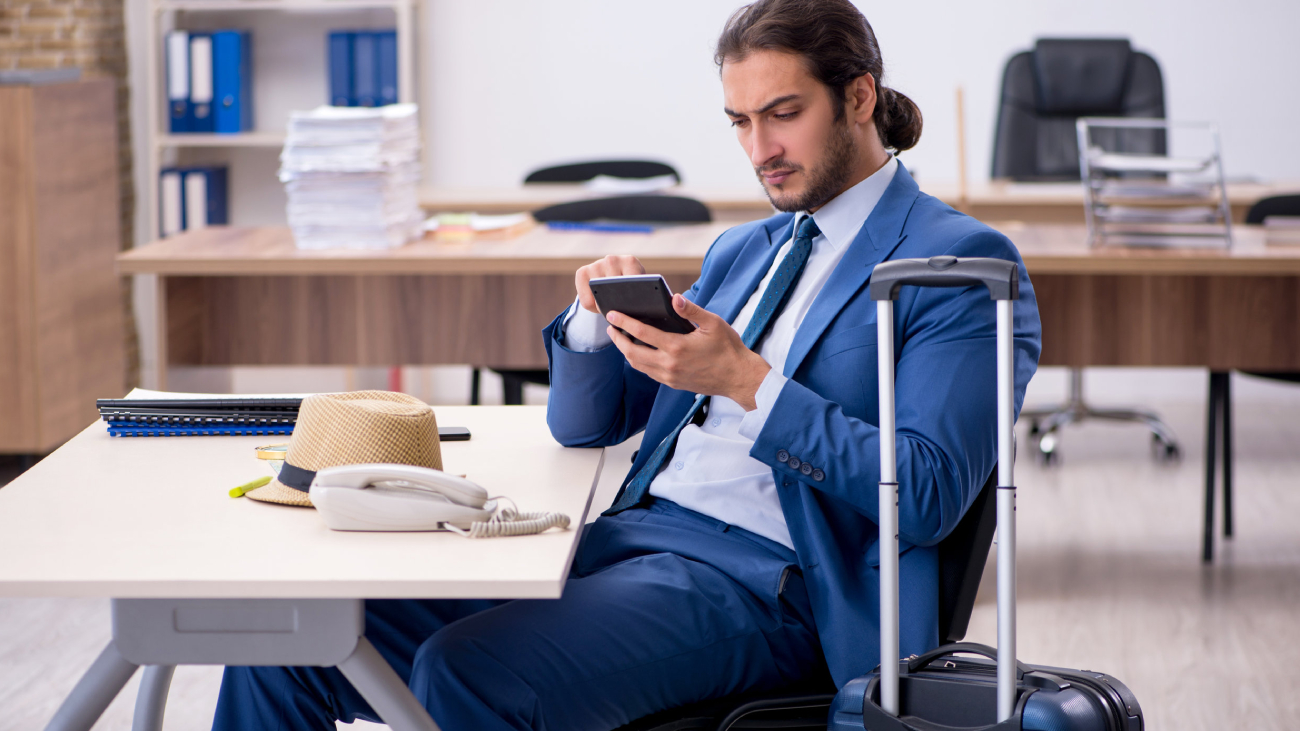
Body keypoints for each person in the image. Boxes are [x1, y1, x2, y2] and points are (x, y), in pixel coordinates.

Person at [211, 0, 1041, 728]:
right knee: (290, 632)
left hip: (771, 584)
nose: (761, 148)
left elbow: (928, 493)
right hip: (623, 542)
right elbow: (584, 426)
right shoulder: (745, 250)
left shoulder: (957, 262)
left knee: (469, 671)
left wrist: (748, 382)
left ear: (858, 95)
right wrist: (588, 326)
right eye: (740, 122)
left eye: (782, 114)